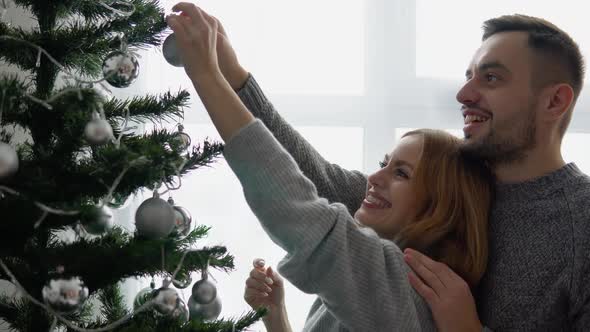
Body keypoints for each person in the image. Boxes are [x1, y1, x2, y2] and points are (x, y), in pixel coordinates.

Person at [217, 13, 589, 331]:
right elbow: (317, 183)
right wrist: (233, 79)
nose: (464, 94)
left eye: (491, 78)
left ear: (554, 101)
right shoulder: (452, 178)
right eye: (469, 76)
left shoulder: (582, 222)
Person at [166, 3, 496, 331]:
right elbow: (314, 174)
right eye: (384, 164)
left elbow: (296, 205)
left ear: (437, 210)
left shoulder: (408, 290)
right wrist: (277, 317)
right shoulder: (373, 276)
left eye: (401, 173)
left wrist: (207, 75)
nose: (374, 178)